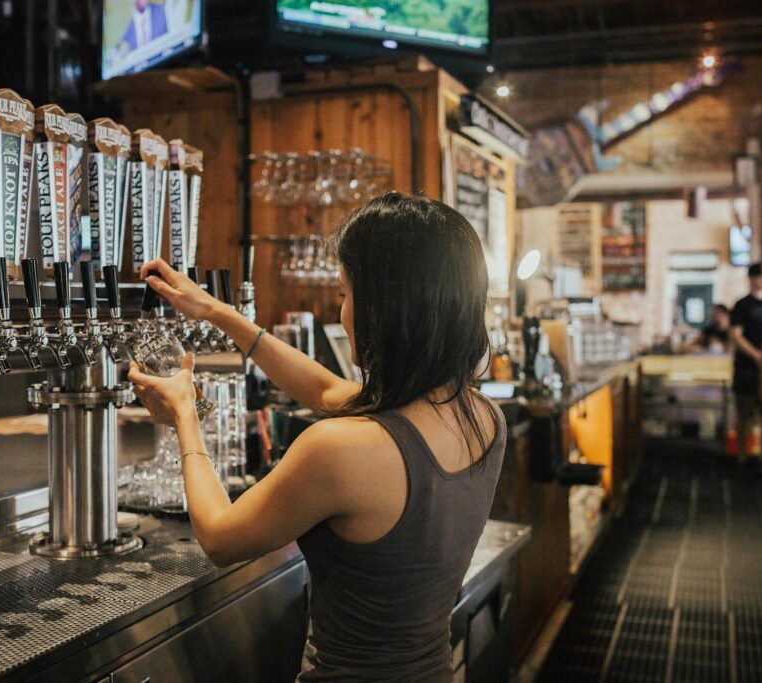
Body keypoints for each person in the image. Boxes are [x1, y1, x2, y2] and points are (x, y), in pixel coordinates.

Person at [129, 193, 505, 680]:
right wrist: (219, 314)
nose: (343, 313)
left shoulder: (339, 450)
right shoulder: (482, 417)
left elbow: (219, 539)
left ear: (385, 307)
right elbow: (326, 387)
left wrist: (185, 413)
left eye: (346, 294)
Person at [730, 263, 762, 461]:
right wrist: (756, 355)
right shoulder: (742, 305)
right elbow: (736, 335)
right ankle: (742, 456)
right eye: (761, 277)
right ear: (752, 279)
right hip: (746, 367)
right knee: (744, 414)